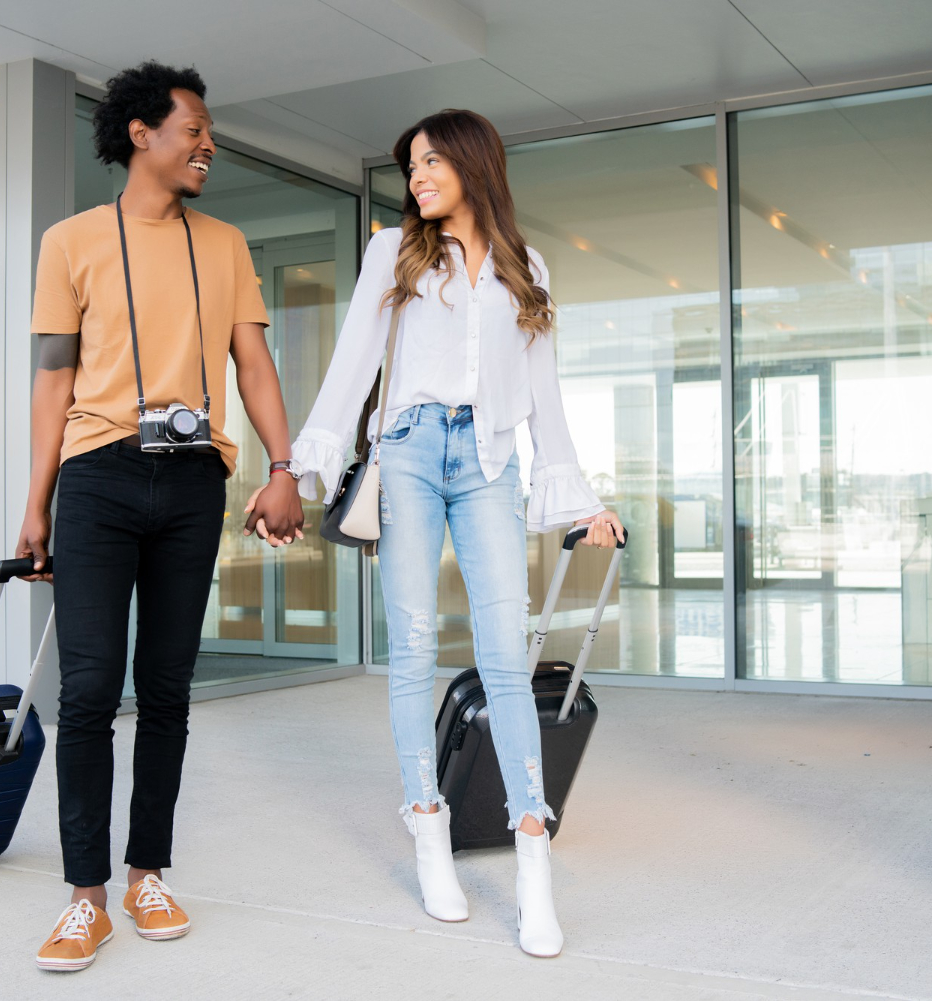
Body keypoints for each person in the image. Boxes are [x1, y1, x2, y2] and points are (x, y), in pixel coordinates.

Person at [289, 109, 622, 958]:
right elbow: (355, 361)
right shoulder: (392, 254)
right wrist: (305, 466)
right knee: (410, 643)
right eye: (410, 166)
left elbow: (546, 393)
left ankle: (532, 856)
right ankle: (427, 826)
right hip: (405, 450)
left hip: (491, 461)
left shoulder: (526, 267)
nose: (418, 177)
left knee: (504, 656)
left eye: (431, 160)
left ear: (474, 164)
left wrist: (582, 497)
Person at [17, 61, 304, 972]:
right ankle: (85, 897)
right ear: (141, 133)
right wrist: (37, 503)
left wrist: (284, 465)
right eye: (195, 128)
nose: (208, 143)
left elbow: (252, 365)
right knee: (91, 690)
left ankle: (148, 873)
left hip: (191, 483)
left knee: (169, 691)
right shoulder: (69, 241)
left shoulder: (223, 243)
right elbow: (53, 379)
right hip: (97, 478)